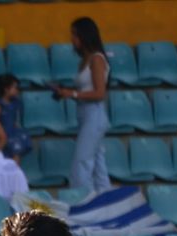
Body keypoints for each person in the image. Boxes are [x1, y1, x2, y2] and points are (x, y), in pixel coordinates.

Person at [55, 16, 111, 198]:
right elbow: (86, 90)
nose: (72, 39)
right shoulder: (84, 60)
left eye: (75, 35)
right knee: (97, 164)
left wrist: (73, 94)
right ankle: (106, 201)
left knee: (82, 163)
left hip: (94, 114)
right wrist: (67, 92)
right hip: (84, 113)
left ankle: (81, 202)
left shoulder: (96, 59)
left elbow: (99, 93)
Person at [0, 74, 33, 163]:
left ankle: (15, 172)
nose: (17, 90)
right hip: (3, 134)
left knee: (17, 154)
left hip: (13, 132)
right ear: (6, 89)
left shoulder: (15, 102)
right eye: (15, 88)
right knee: (11, 155)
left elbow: (14, 119)